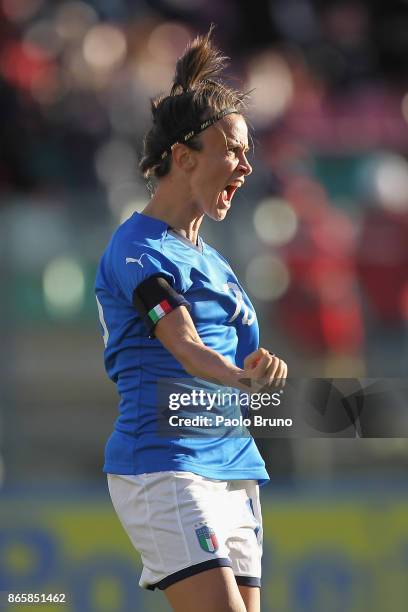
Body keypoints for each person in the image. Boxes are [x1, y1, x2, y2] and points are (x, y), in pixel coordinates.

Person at [95, 28, 287, 612]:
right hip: (166, 467)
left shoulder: (218, 265)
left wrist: (259, 369)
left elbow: (241, 363)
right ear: (183, 157)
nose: (246, 166)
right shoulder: (138, 250)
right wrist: (238, 377)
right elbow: (184, 345)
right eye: (233, 150)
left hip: (233, 465)